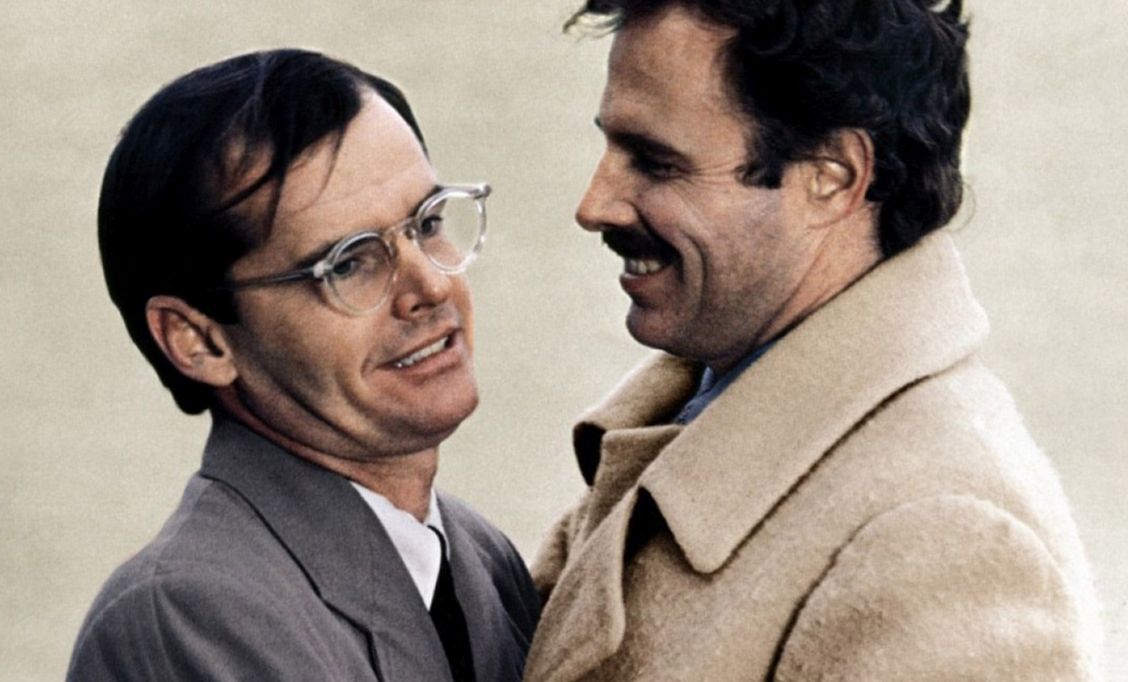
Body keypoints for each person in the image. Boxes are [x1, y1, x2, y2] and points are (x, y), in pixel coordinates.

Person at [525, 2, 1102, 680]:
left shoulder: (943, 534)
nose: (594, 205)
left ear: (833, 176)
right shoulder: (689, 422)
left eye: (655, 162)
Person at [67, 49, 539, 681]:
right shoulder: (188, 612)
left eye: (427, 223)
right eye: (349, 263)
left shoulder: (480, 557)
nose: (430, 285)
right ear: (199, 341)